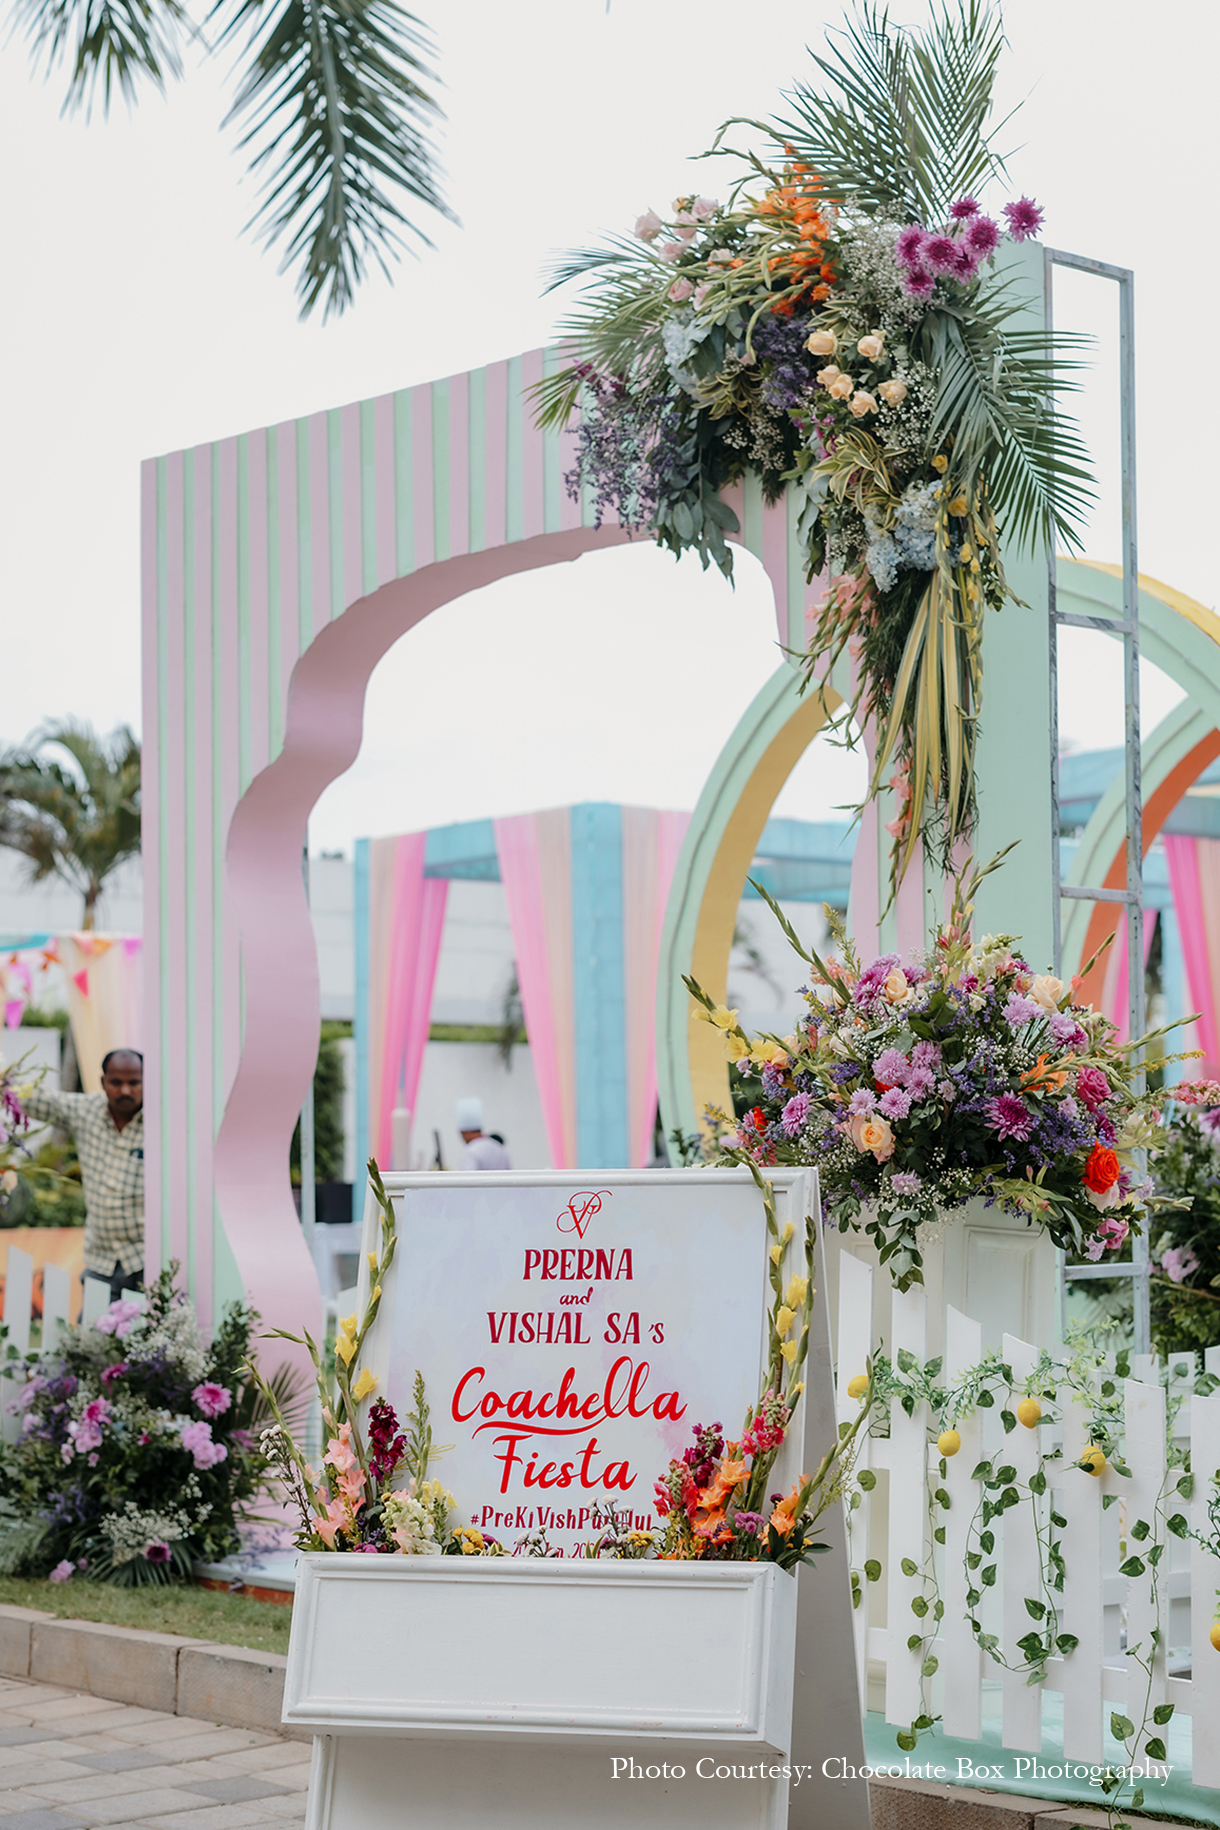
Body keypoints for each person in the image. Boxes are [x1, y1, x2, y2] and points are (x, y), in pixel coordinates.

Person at [23, 1048, 146, 1304]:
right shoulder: (86, 1111)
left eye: (134, 1082)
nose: (125, 1090)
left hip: (147, 1258)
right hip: (100, 1258)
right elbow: (36, 1100)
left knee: (150, 1341)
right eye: (116, 1082)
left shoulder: (164, 1120)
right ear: (103, 1082)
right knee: (91, 1339)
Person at [456, 1097, 511, 1170]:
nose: (462, 1138)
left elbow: (468, 1179)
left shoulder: (472, 1152)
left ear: (468, 1131)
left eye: (462, 1134)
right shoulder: (499, 1148)